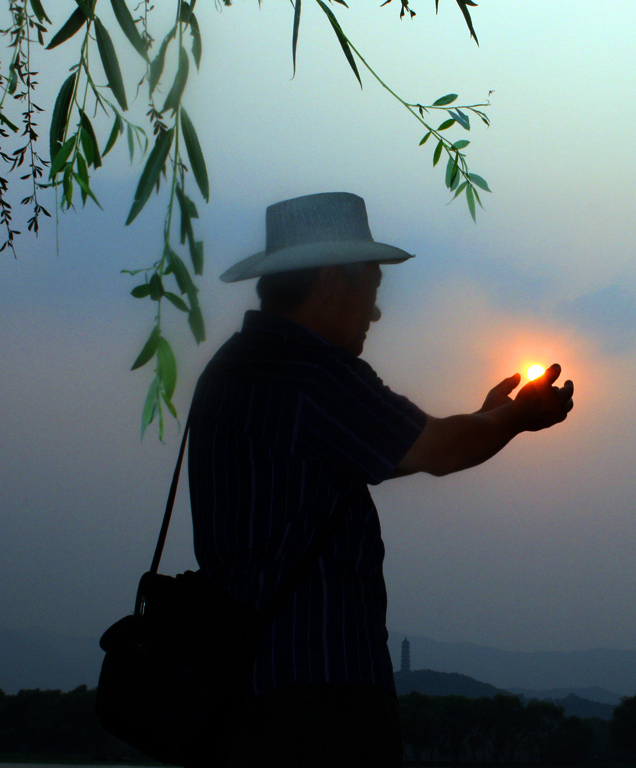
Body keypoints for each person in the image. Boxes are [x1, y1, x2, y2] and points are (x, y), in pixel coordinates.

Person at [187, 192, 574, 766]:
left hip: (249, 683)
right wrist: (518, 415)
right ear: (328, 287)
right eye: (371, 292)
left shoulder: (237, 366)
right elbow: (438, 450)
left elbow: (407, 447)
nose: (375, 314)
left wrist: (489, 417)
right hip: (313, 685)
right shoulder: (307, 372)